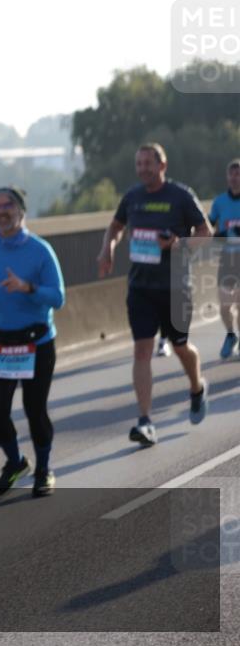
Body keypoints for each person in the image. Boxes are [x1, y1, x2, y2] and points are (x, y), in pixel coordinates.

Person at [97, 143, 213, 446]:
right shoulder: (132, 197)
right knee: (142, 351)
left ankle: (197, 386)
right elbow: (115, 226)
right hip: (141, 288)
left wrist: (177, 245)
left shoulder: (180, 196)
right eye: (139, 164)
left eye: (148, 163)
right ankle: (145, 421)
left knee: (180, 346)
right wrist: (107, 249)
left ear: (162, 166)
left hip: (175, 288)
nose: (142, 169)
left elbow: (206, 233)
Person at [0, 187, 65, 498]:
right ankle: (15, 462)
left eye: (8, 205)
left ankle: (44, 469)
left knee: (34, 409)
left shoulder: (41, 250)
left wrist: (27, 287)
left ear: (21, 211)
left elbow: (58, 297)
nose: (2, 211)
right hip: (0, 343)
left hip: (36, 342)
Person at [209, 158, 240, 359]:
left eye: (239, 174)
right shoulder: (219, 202)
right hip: (227, 258)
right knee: (224, 304)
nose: (235, 178)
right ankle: (231, 335)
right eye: (232, 174)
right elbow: (208, 226)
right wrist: (219, 235)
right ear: (227, 177)